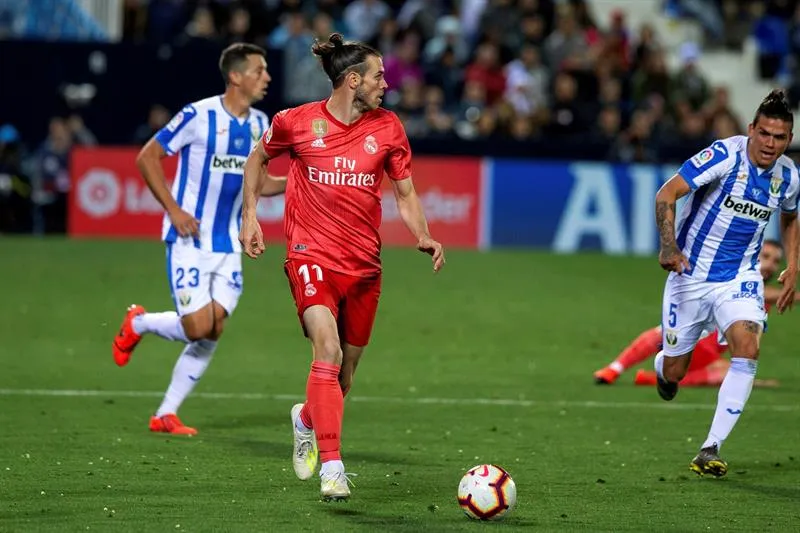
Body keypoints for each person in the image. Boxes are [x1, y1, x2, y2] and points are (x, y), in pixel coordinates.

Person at [238, 33, 445, 501]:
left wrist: (423, 233)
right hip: (310, 257)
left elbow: (405, 193)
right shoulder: (295, 122)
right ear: (353, 80)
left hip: (364, 267)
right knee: (325, 351)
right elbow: (257, 160)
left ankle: (307, 418)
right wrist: (250, 215)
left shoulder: (389, 127)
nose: (386, 84)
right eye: (378, 76)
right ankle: (333, 468)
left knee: (344, 376)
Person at [112, 43, 285, 436]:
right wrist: (173, 209)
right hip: (190, 238)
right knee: (196, 328)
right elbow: (147, 157)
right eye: (260, 71)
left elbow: (259, 182)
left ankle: (165, 414)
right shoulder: (198, 115)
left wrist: (299, 182)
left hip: (229, 244)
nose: (267, 78)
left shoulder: (261, 124)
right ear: (236, 76)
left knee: (213, 329)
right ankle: (139, 323)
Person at [653, 89, 799, 477]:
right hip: (690, 273)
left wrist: (794, 264)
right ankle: (662, 367)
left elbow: (789, 215)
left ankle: (710, 447)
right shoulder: (724, 156)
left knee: (748, 348)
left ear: (788, 140)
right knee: (675, 372)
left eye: (779, 137)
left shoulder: (788, 176)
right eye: (764, 133)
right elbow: (667, 193)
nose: (770, 144)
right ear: (751, 129)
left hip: (740, 276)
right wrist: (669, 246)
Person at [594, 240, 795, 387]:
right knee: (727, 370)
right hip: (698, 344)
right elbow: (770, 294)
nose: (770, 265)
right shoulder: (742, 281)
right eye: (765, 257)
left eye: (776, 261)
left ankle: (622, 370)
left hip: (705, 351)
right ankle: (624, 372)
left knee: (665, 333)